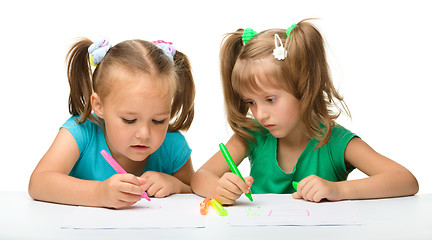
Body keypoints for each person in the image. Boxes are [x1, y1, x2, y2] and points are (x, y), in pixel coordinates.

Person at [191, 19, 419, 205]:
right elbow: (200, 177)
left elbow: (405, 180)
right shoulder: (253, 136)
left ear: (303, 88)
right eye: (251, 102)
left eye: (270, 99)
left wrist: (337, 190)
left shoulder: (335, 142)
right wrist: (220, 189)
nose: (259, 114)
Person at [29, 38, 195, 209]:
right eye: (129, 120)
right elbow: (39, 183)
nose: (144, 133)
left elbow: (195, 189)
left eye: (158, 120)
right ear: (99, 106)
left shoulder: (173, 146)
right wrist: (99, 193)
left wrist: (175, 185)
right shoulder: (80, 132)